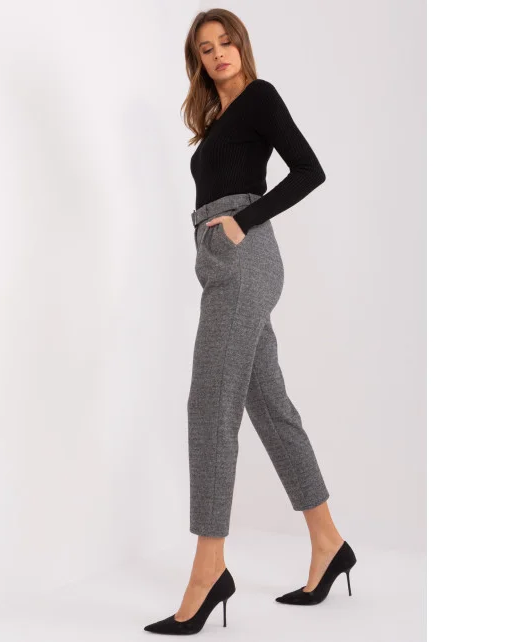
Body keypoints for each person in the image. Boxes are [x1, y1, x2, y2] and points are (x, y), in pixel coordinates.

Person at [144, 9, 357, 635]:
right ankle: (328, 541)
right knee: (269, 406)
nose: (218, 53)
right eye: (206, 48)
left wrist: (242, 222)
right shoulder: (215, 122)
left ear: (242, 45)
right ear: (199, 61)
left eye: (226, 41)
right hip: (219, 260)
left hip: (244, 256)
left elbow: (309, 170)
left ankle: (208, 569)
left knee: (210, 403)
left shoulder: (260, 97)